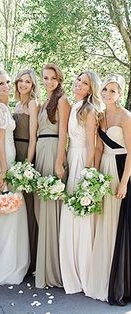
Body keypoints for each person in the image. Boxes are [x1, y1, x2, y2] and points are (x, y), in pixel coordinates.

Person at [86, 75, 131, 305]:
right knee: (104, 221)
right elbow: (98, 149)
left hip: (121, 169)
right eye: (105, 89)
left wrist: (124, 183)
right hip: (104, 170)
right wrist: (92, 174)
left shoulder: (125, 117)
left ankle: (117, 279)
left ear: (120, 94)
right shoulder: (101, 115)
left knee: (117, 224)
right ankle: (101, 274)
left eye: (113, 91)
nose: (108, 94)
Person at [0, 67, 30, 286]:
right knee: (6, 209)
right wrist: (4, 171)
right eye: (1, 83)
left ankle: (1, 261)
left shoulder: (2, 106)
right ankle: (4, 264)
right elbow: (0, 143)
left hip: (8, 161)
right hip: (5, 163)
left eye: (7, 82)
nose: (6, 86)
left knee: (5, 209)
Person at [59, 70, 103, 294]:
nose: (79, 84)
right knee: (71, 214)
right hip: (71, 157)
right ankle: (71, 269)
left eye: (84, 83)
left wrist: (87, 172)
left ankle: (83, 270)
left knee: (80, 215)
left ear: (90, 89)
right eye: (78, 80)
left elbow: (92, 144)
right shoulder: (75, 106)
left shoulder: (90, 110)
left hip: (81, 162)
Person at [34, 64, 70, 288]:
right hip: (40, 150)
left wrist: (59, 162)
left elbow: (64, 131)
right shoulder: (44, 101)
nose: (48, 81)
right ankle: (44, 262)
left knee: (50, 208)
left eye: (52, 78)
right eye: (45, 78)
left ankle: (53, 269)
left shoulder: (63, 100)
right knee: (40, 208)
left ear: (59, 79)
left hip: (53, 150)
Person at [13, 69, 40, 274]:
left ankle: (32, 260)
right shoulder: (16, 104)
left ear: (33, 85)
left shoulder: (32, 104)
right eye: (21, 81)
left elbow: (33, 137)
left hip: (25, 153)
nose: (23, 84)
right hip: (13, 152)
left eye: (28, 82)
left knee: (29, 206)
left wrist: (27, 165)